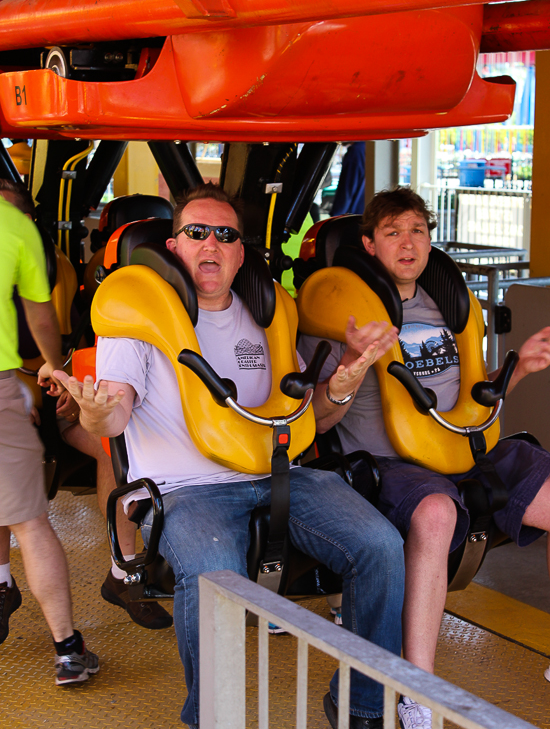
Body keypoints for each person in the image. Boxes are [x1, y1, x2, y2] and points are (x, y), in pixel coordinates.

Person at [56, 182, 405, 729]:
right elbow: (115, 414)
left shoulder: (265, 316)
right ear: (174, 246)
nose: (210, 244)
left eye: (225, 235)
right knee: (213, 573)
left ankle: (363, 707)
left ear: (241, 252)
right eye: (196, 232)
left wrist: (344, 383)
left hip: (277, 476)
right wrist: (94, 412)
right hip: (186, 492)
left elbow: (306, 422)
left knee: (381, 545)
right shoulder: (140, 319)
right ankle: (211, 719)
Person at [298, 186, 550, 729]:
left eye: (417, 230)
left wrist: (521, 367)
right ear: (368, 244)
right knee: (436, 513)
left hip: (463, 446)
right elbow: (314, 423)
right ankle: (417, 692)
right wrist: (349, 365)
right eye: (392, 232)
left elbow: (475, 395)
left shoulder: (447, 304)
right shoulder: (345, 312)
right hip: (390, 463)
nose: (408, 243)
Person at [0, 178, 172, 632]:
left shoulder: (177, 306)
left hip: (81, 392)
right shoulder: (98, 301)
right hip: (57, 397)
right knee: (113, 451)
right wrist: (48, 383)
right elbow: (55, 358)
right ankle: (124, 571)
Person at [0, 192, 99, 684]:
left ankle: (2, 587)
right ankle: (67, 646)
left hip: (15, 388)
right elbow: (43, 322)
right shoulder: (15, 232)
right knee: (29, 521)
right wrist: (54, 371)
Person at [330, 142, 366, 217]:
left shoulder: (355, 153)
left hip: (352, 217)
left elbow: (346, 189)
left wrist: (335, 216)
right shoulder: (367, 149)